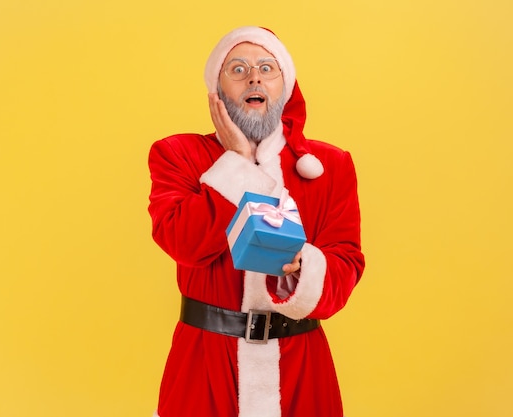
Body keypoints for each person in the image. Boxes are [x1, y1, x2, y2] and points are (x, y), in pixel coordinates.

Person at [148, 26, 365, 417]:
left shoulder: (330, 166)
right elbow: (183, 242)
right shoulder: (178, 155)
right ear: (217, 90)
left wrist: (302, 267)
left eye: (268, 67)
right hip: (204, 363)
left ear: (286, 87)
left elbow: (345, 264)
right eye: (238, 69)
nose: (255, 77)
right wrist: (236, 162)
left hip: (301, 365)